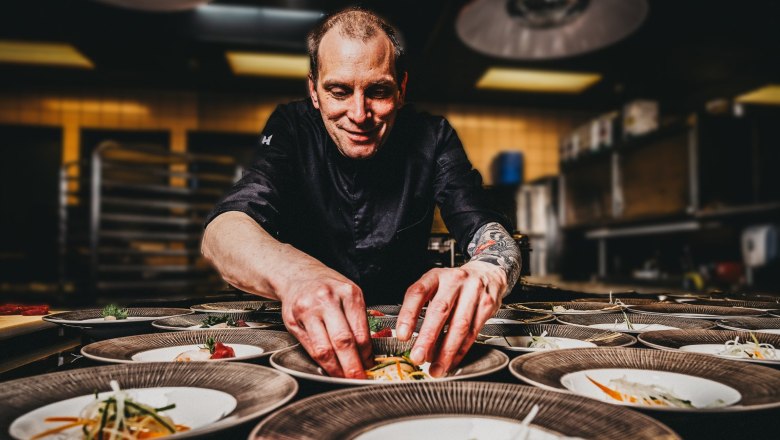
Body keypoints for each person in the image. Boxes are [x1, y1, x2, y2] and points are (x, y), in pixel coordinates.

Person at [201, 7, 521, 379]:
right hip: (302, 342)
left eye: (378, 92)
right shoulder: (291, 127)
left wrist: (488, 271)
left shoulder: (433, 136)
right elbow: (222, 232)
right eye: (338, 91)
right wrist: (296, 275)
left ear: (401, 89)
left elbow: (485, 228)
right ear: (314, 90)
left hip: (404, 340)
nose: (359, 113)